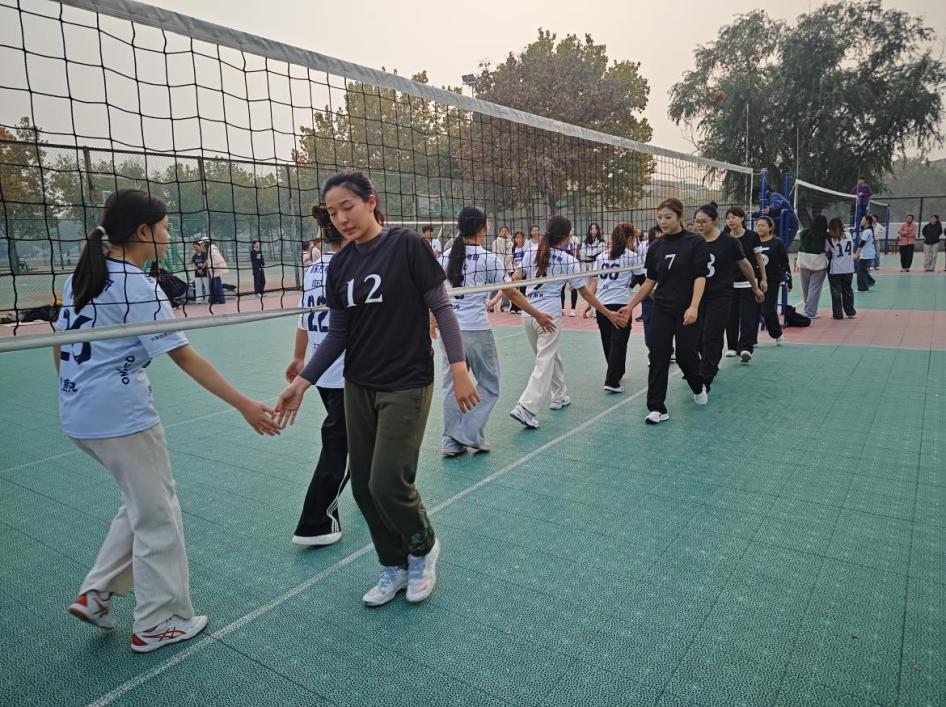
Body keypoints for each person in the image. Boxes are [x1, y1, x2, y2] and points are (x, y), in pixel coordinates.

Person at [57, 189, 278, 652]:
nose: (169, 234)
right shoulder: (138, 286)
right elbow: (184, 356)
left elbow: (59, 347)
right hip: (121, 419)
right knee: (159, 516)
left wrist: (78, 389)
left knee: (141, 501)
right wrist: (244, 404)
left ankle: (97, 593)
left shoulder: (84, 277)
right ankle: (158, 621)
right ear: (143, 231)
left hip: (77, 414)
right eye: (165, 227)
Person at [275, 171, 478, 607]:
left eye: (347, 207)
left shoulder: (406, 245)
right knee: (364, 487)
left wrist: (459, 368)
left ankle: (423, 547)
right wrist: (303, 383)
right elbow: (338, 334)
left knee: (388, 481)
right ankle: (395, 563)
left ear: (371, 201)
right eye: (333, 212)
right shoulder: (339, 266)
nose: (341, 219)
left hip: (406, 381)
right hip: (358, 385)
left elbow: (441, 307)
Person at [440, 207, 553, 456]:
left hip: (450, 329)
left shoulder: (444, 256)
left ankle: (450, 441)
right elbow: (512, 293)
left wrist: (430, 318)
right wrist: (538, 314)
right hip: (476, 329)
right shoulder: (489, 258)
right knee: (490, 383)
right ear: (483, 228)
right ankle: (468, 434)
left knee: (451, 384)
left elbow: (434, 291)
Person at [509, 215, 623, 429]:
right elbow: (586, 294)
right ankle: (526, 407)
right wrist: (608, 313)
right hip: (548, 317)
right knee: (544, 362)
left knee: (550, 356)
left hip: (529, 315)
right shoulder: (569, 260)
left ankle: (559, 395)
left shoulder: (531, 251)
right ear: (567, 235)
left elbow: (516, 277)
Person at [284, 205, 349, 546]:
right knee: (341, 446)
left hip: (321, 370)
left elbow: (304, 316)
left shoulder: (313, 269)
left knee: (358, 439)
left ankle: (372, 493)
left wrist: (299, 356)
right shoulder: (351, 266)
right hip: (347, 371)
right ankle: (315, 523)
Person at [618, 198, 708, 424]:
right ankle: (657, 408)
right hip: (662, 308)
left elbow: (700, 276)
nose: (663, 222)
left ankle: (698, 386)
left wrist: (694, 306)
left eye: (668, 217)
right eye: (660, 217)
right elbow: (650, 281)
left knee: (686, 356)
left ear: (680, 217)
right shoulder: (656, 246)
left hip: (687, 309)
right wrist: (630, 306)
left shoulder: (695, 242)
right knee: (658, 355)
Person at [692, 203, 762, 388]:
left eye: (703, 221)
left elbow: (745, 265)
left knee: (711, 334)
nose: (699, 225)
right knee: (696, 337)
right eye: (697, 222)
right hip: (697, 296)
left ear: (715, 220)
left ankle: (706, 376)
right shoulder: (693, 242)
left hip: (720, 295)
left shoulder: (729, 242)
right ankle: (707, 363)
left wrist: (755, 287)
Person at [585, 223, 644, 393]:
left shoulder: (601, 256)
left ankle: (616, 373)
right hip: (621, 305)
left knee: (609, 342)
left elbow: (595, 281)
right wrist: (658, 298)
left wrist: (589, 304)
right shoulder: (632, 256)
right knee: (619, 343)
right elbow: (643, 281)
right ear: (630, 238)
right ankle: (612, 380)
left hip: (602, 306)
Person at [723, 206, 767, 361]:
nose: (730, 220)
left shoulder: (752, 236)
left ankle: (746, 348)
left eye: (734, 217)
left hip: (749, 283)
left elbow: (759, 258)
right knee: (730, 317)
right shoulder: (725, 237)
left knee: (747, 316)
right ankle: (732, 347)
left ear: (742, 218)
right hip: (729, 284)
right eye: (728, 218)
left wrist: (763, 279)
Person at [756, 216, 790, 344]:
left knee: (767, 310)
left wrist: (788, 279)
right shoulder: (753, 241)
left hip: (772, 280)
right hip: (754, 280)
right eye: (758, 225)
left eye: (762, 225)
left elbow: (784, 262)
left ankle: (777, 333)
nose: (759, 227)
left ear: (770, 227)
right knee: (752, 310)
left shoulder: (777, 242)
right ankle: (751, 339)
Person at [796, 214, 830, 319]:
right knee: (814, 289)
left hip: (803, 262)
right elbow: (828, 250)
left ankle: (808, 309)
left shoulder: (803, 233)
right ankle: (810, 312)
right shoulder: (826, 236)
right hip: (818, 264)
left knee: (805, 288)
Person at [826, 217, 859, 319]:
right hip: (848, 268)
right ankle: (850, 312)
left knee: (836, 292)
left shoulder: (829, 239)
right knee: (847, 290)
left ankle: (838, 314)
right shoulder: (848, 235)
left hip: (835, 268)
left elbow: (826, 251)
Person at [578, 222, 607, 318]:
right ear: (589, 231)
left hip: (597, 267)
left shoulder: (602, 242)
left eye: (595, 229)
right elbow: (583, 254)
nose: (593, 231)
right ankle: (590, 309)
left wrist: (591, 255)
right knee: (587, 290)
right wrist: (590, 255)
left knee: (596, 290)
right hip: (586, 267)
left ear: (598, 231)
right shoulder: (585, 242)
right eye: (592, 229)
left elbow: (598, 254)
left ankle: (595, 310)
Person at [201, 236, 228, 304]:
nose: (202, 244)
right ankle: (215, 299)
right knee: (213, 285)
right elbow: (209, 259)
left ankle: (220, 300)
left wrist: (213, 266)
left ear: (206, 242)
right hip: (212, 269)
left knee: (216, 285)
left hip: (215, 269)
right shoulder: (208, 249)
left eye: (202, 243)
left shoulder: (212, 249)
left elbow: (216, 259)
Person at [855, 214, 876, 292]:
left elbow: (862, 243)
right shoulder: (868, 230)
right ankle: (871, 281)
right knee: (863, 270)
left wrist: (856, 253)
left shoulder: (867, 231)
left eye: (862, 220)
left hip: (867, 254)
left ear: (867, 221)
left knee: (861, 271)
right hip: (868, 254)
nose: (861, 221)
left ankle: (863, 288)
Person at [508, 230, 528, 313]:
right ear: (515, 239)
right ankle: (513, 307)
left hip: (524, 270)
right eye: (517, 237)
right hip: (515, 270)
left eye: (520, 237)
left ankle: (521, 308)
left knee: (523, 289)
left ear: (523, 238)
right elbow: (511, 259)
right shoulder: (513, 248)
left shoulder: (526, 247)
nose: (519, 239)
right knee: (514, 289)